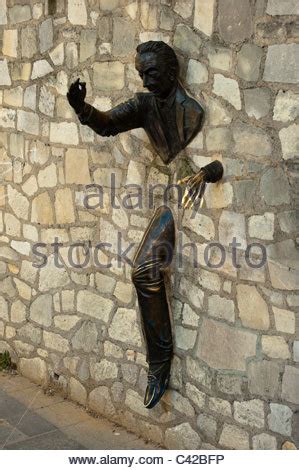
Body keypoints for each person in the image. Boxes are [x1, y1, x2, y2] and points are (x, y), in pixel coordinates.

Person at [67, 41, 223, 409]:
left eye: (151, 72)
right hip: (164, 201)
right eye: (141, 74)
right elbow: (107, 124)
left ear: (172, 71)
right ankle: (159, 362)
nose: (146, 80)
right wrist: (81, 108)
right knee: (142, 270)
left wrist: (208, 171)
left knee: (143, 270)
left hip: (182, 203)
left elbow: (215, 168)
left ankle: (159, 362)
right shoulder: (144, 105)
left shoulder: (193, 111)